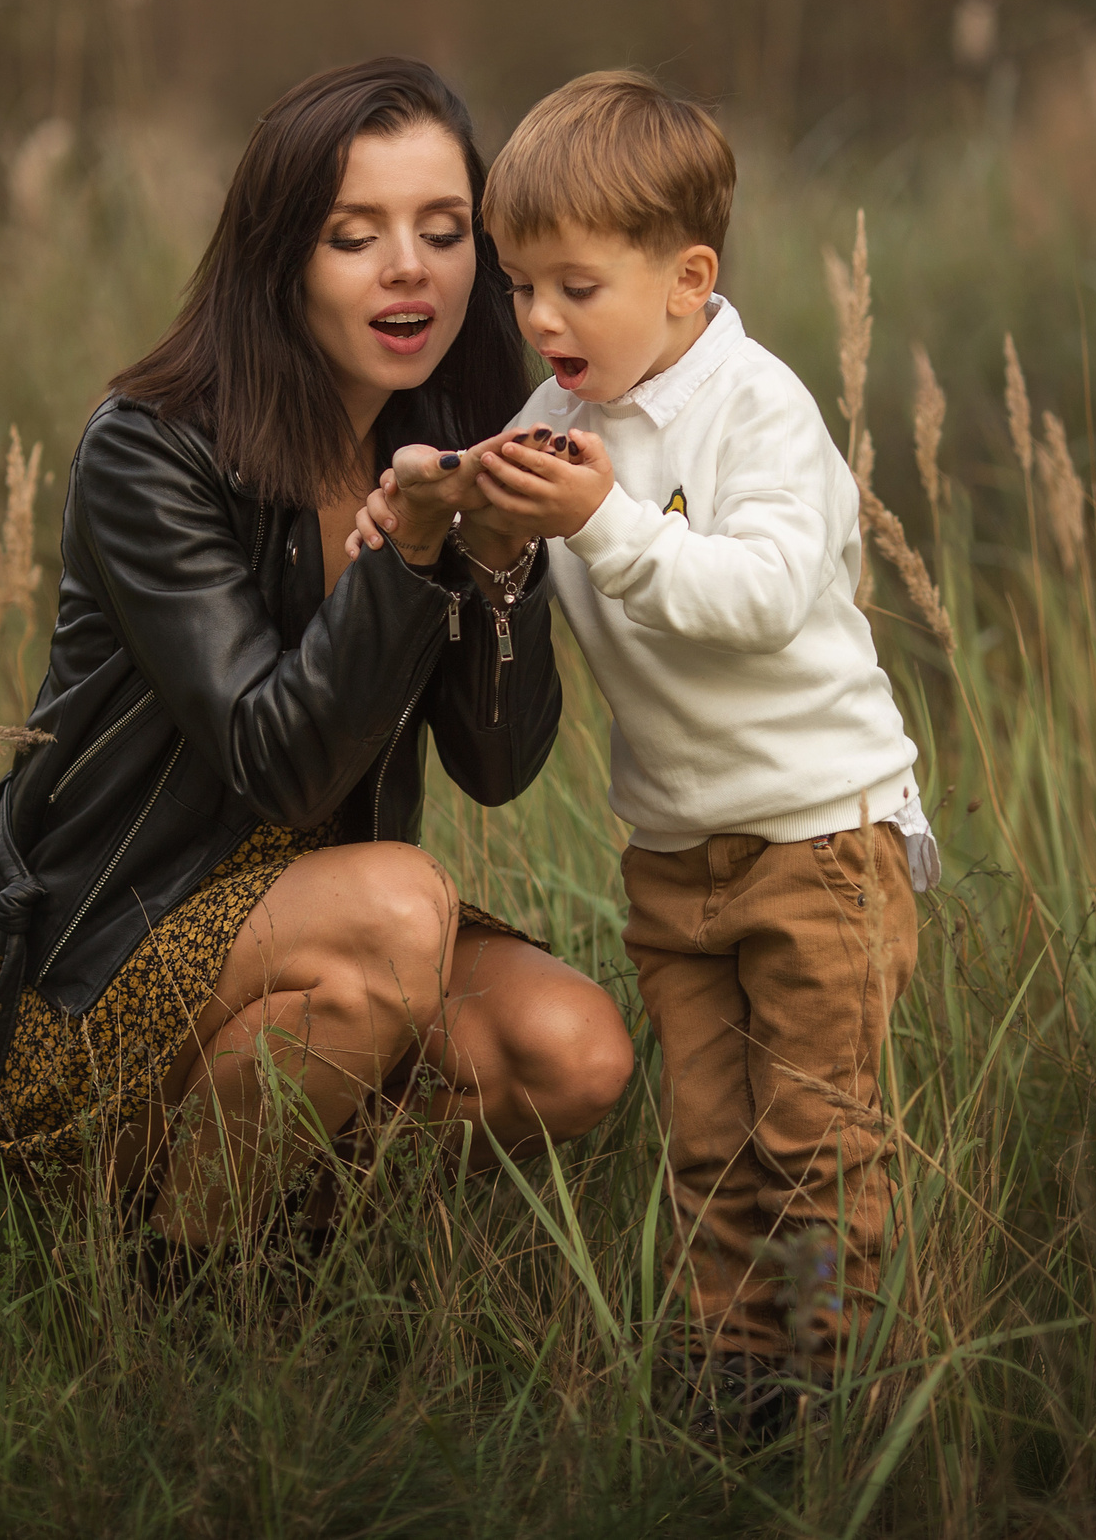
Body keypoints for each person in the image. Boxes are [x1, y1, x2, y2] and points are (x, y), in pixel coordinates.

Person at [0, 59, 635, 1269]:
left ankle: (282, 1211)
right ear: (282, 255)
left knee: (572, 1050)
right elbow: (279, 765)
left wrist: (495, 561)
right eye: (356, 236)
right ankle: (192, 1282)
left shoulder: (443, 443)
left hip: (334, 954)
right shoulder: (152, 451)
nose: (410, 268)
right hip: (105, 967)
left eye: (444, 232)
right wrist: (404, 555)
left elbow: (497, 766)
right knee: (399, 900)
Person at [359, 70, 937, 1428]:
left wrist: (605, 518)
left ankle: (827, 1359)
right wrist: (442, 506)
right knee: (710, 1134)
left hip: (818, 833)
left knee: (813, 1131)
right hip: (677, 850)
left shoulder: (756, 410)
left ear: (687, 277)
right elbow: (503, 535)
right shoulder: (563, 420)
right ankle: (736, 1362)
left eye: (574, 287)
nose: (538, 320)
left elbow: (759, 599)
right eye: (518, 288)